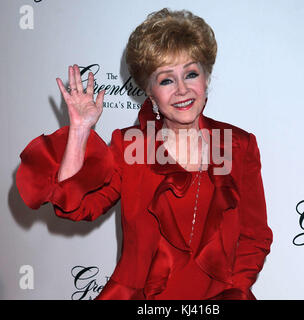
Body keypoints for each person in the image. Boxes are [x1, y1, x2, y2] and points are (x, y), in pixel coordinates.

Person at [16, 8, 273, 300]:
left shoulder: (239, 145)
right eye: (166, 80)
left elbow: (255, 236)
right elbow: (79, 206)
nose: (182, 90)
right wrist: (79, 130)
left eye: (191, 74)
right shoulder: (129, 147)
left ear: (205, 79)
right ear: (149, 92)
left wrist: (234, 290)